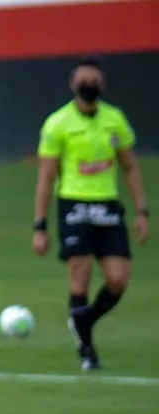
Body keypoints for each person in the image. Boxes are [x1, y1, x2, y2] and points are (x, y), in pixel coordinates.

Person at [33, 56, 148, 371]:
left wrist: (142, 211)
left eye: (94, 80)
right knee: (80, 277)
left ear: (103, 84)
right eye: (83, 80)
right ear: (73, 85)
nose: (89, 85)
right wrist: (40, 225)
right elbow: (45, 177)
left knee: (118, 280)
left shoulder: (115, 120)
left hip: (108, 206)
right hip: (74, 205)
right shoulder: (58, 124)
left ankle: (82, 322)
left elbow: (129, 166)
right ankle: (87, 351)